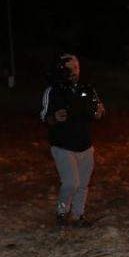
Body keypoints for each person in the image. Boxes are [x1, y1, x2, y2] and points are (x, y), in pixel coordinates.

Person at [40, 54, 104, 228]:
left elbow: (98, 109)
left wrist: (99, 113)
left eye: (76, 66)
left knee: (82, 184)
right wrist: (54, 118)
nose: (74, 71)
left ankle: (78, 216)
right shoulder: (53, 90)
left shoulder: (87, 88)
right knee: (70, 183)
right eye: (69, 68)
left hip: (85, 144)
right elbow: (44, 117)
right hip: (63, 145)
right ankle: (61, 213)